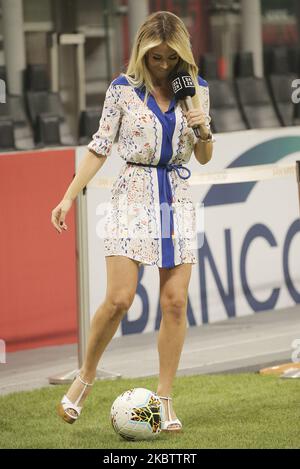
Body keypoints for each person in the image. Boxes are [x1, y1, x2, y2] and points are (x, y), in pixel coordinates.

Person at [51, 10, 213, 432]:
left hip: (176, 197)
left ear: (181, 56)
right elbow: (100, 147)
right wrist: (69, 197)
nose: (162, 66)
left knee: (175, 302)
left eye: (169, 59)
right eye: (155, 58)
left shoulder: (194, 90)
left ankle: (164, 400)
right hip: (132, 194)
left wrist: (202, 127)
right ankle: (85, 378)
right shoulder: (123, 90)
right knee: (120, 298)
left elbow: (204, 157)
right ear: (142, 53)